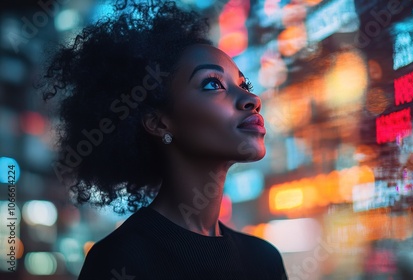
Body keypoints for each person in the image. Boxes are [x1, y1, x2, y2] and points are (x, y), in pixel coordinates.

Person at [42, 1, 288, 279]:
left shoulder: (265, 260)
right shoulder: (119, 261)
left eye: (244, 85)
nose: (252, 100)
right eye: (212, 84)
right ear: (159, 122)